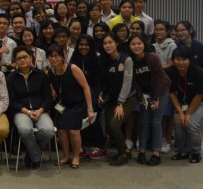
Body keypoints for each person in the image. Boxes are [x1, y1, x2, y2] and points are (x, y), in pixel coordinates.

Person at [47, 45, 95, 169]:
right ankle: (66, 156)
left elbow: (86, 88)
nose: (53, 59)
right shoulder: (50, 72)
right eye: (50, 56)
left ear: (62, 57)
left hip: (78, 104)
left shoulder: (72, 68)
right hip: (62, 106)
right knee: (61, 130)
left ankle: (76, 156)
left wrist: (90, 109)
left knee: (73, 130)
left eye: (56, 56)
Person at [7, 46, 54, 170]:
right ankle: (36, 156)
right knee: (24, 130)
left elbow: (48, 98)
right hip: (21, 111)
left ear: (31, 58)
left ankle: (31, 153)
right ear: (15, 62)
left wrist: (41, 110)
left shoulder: (41, 75)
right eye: (19, 58)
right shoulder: (11, 78)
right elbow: (12, 101)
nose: (22, 60)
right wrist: (27, 111)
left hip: (40, 110)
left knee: (49, 131)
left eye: (25, 57)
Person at [129, 34, 171, 166]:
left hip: (161, 91)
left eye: (139, 43)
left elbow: (159, 77)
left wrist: (157, 97)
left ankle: (156, 153)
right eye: (133, 44)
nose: (136, 46)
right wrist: (141, 97)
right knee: (144, 121)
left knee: (156, 121)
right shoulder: (130, 60)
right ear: (129, 46)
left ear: (144, 44)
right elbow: (134, 82)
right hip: (145, 93)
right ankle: (141, 151)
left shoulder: (152, 57)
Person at [99, 33, 136, 166]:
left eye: (110, 42)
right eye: (105, 43)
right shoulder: (107, 59)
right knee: (108, 125)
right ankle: (125, 150)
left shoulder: (127, 60)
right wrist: (102, 94)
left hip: (128, 99)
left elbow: (127, 83)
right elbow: (107, 81)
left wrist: (120, 103)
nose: (107, 45)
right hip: (113, 98)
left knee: (114, 125)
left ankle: (123, 154)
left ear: (117, 44)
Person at [166, 46, 203, 163]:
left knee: (191, 124)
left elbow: (199, 95)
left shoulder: (198, 72)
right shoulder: (170, 71)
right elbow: (171, 93)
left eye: (184, 59)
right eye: (177, 59)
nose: (180, 62)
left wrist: (188, 113)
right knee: (178, 122)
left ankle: (196, 152)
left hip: (199, 103)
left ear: (190, 60)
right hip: (181, 104)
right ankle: (183, 151)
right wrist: (181, 112)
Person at [70, 34, 105, 159]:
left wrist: (99, 94)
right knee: (77, 118)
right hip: (78, 93)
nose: (83, 47)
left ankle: (100, 147)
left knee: (92, 118)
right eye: (81, 44)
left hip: (94, 93)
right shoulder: (74, 59)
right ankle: (82, 147)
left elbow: (100, 81)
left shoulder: (98, 59)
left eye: (86, 45)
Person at [153, 20, 177, 153]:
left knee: (168, 114)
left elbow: (171, 64)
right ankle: (159, 138)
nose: (158, 32)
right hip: (155, 84)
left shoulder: (172, 45)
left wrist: (156, 68)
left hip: (168, 82)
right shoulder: (152, 45)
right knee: (159, 115)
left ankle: (167, 140)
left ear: (167, 31)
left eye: (161, 29)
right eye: (156, 29)